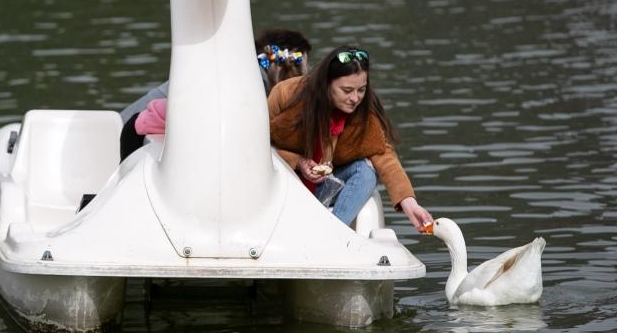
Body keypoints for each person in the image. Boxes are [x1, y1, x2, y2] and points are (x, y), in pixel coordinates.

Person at [268, 45, 434, 232]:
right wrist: (298, 162)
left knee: (365, 172)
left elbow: (383, 153)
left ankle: (333, 234)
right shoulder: (286, 94)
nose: (355, 98)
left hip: (323, 187)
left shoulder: (363, 113)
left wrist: (409, 203)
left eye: (361, 90)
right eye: (347, 90)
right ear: (326, 83)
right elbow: (259, 143)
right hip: (284, 187)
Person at [118, 28, 312, 161]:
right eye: (301, 64)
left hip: (131, 130)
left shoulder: (240, 69)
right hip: (134, 137)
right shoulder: (250, 83)